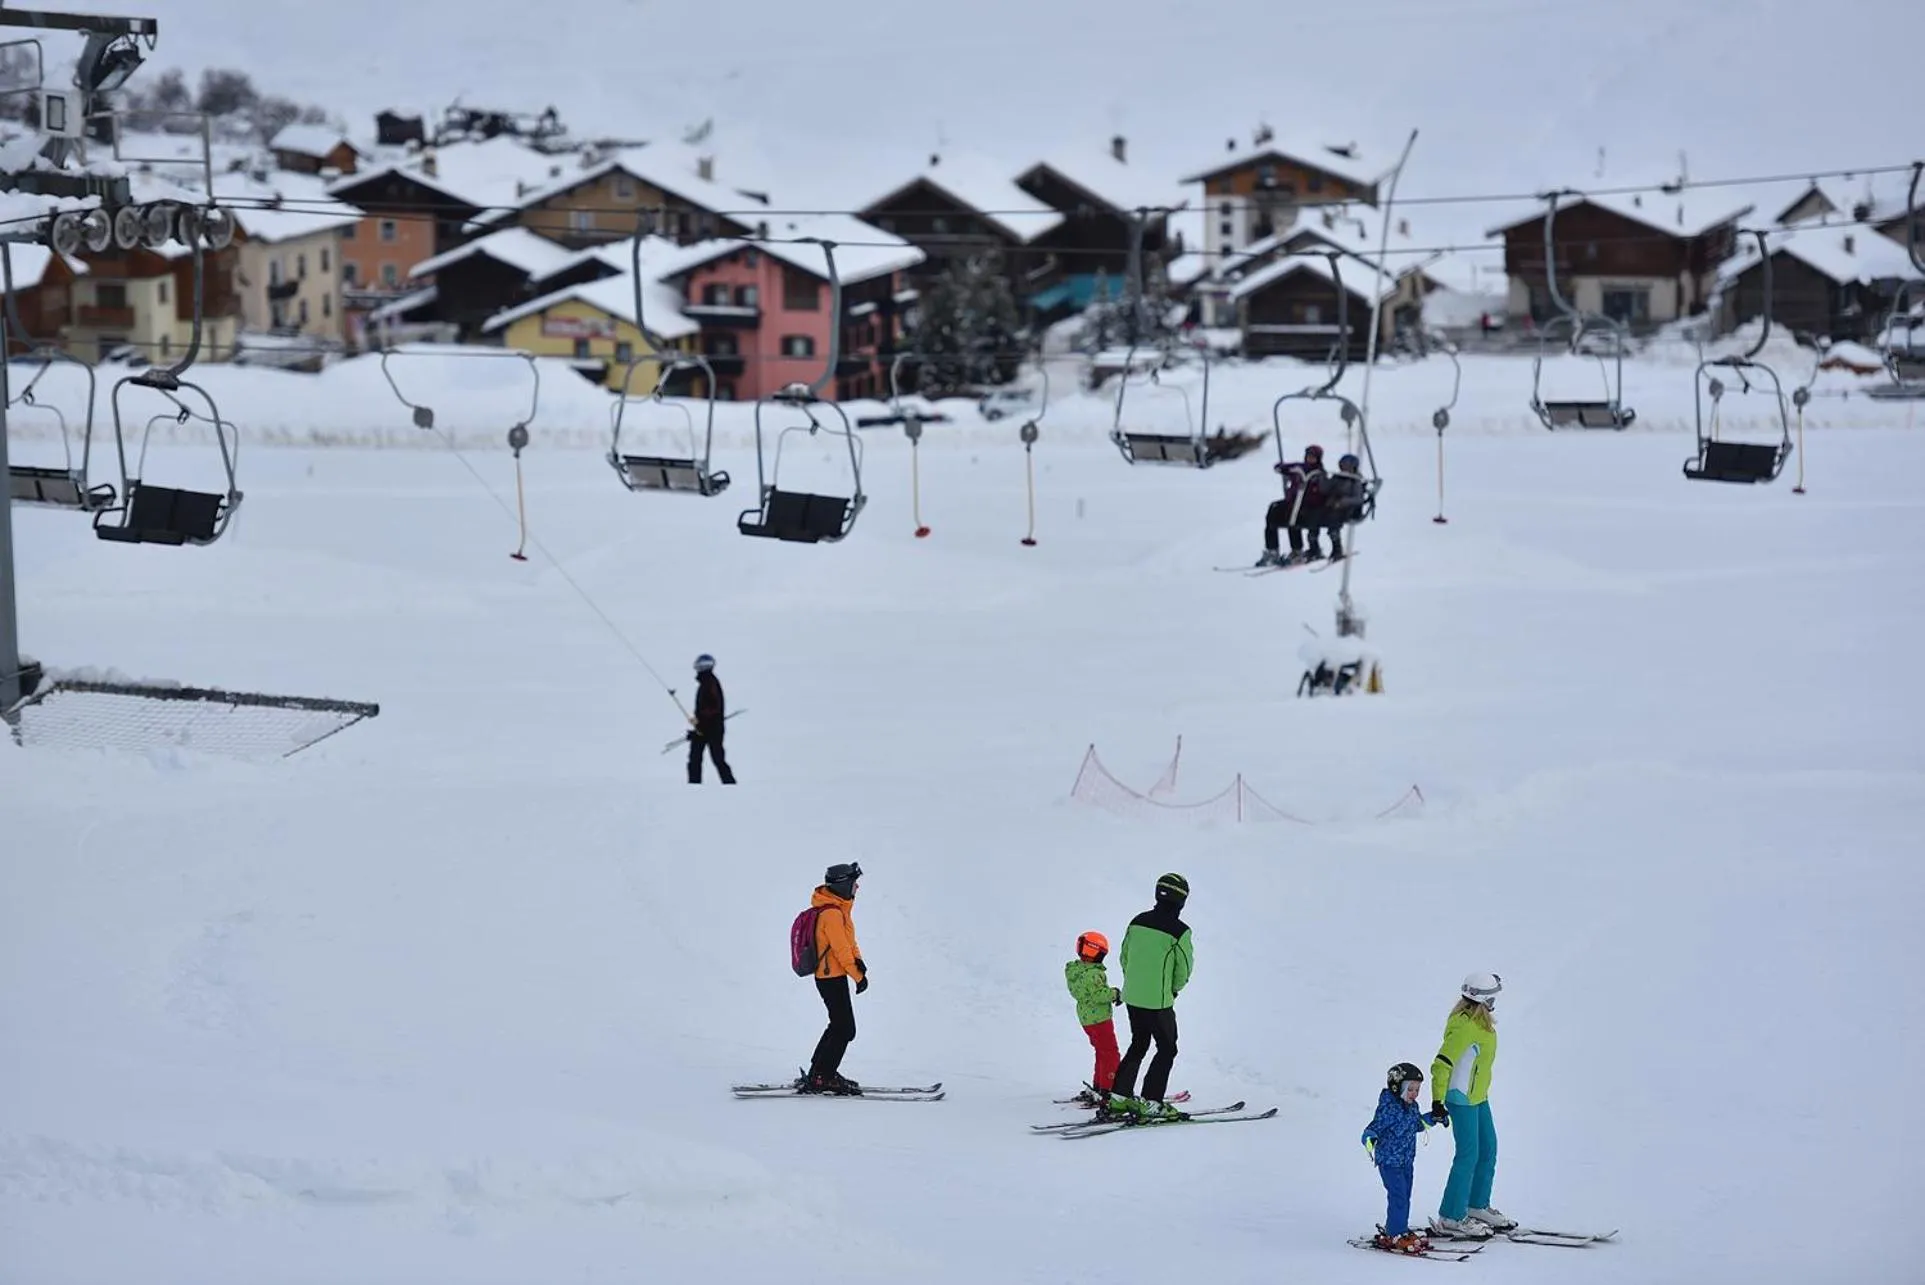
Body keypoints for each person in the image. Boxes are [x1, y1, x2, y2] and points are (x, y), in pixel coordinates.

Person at [1429, 972, 1515, 1238]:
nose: (1495, 1002)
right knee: (1468, 1155)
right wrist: (1437, 1101)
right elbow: (1441, 1063)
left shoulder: (1483, 1024)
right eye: (1492, 997)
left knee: (1488, 1149)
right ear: (1483, 999)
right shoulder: (1464, 1026)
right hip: (1461, 1099)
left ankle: (1476, 1205)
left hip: (1479, 1097)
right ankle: (1451, 1216)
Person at [1110, 873, 1193, 1120]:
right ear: (1181, 901)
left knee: (1139, 1043)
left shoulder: (1137, 922)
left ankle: (1119, 1097)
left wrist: (1133, 983)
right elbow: (1184, 968)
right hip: (1158, 1001)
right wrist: (1172, 990)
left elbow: (1124, 956)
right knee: (1167, 1048)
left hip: (1133, 996)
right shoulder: (1180, 931)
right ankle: (1151, 1101)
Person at [1361, 1062, 1448, 1253]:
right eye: (1410, 1089)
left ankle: (1399, 1228)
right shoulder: (1389, 1109)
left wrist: (1433, 1118)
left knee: (1405, 1195)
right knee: (1398, 1196)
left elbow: (1416, 1125)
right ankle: (1395, 1233)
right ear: (1397, 1087)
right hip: (1390, 1162)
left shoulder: (1412, 1107)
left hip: (1406, 1161)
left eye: (1417, 1089)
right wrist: (1369, 1137)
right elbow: (1374, 1127)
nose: (1414, 1094)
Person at [800, 862, 868, 1095]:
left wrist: (860, 966)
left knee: (838, 1025)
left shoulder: (839, 911)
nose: (857, 887)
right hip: (831, 978)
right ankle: (823, 1077)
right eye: (853, 883)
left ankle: (818, 1072)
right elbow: (841, 951)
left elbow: (850, 944)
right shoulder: (831, 914)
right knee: (845, 1029)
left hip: (833, 976)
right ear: (843, 885)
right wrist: (858, 977)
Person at [1064, 930, 1123, 1103]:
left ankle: (1099, 1085)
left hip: (1087, 1019)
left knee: (1101, 1051)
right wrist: (1115, 994)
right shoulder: (1093, 974)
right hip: (1100, 1019)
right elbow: (1098, 995)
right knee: (1111, 1053)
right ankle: (1108, 1090)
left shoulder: (1076, 971)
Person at [1256, 444, 1327, 567]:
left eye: (1313, 457)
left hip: (1307, 506)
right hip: (1292, 502)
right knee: (1274, 511)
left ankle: (1297, 551)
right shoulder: (1300, 467)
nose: (1310, 459)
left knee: (1293, 520)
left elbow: (1321, 492)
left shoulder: (1319, 473)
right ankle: (1272, 550)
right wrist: (1282, 468)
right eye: (1308, 456)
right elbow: (1283, 468)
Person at [687, 654, 735, 785]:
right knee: (695, 758)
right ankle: (694, 786)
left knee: (717, 758)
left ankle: (730, 785)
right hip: (704, 727)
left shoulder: (710, 683)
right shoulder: (706, 683)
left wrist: (700, 721)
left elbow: (714, 707)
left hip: (712, 728)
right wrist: (698, 722)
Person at [1318, 453, 1370, 560]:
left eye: (1347, 466)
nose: (1344, 469)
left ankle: (1337, 549)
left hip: (1348, 509)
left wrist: (1342, 502)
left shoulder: (1355, 481)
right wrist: (1322, 478)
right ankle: (1313, 546)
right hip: (1333, 506)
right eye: (1342, 466)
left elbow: (1358, 499)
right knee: (1315, 514)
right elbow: (1325, 489)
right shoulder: (1338, 477)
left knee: (1333, 520)